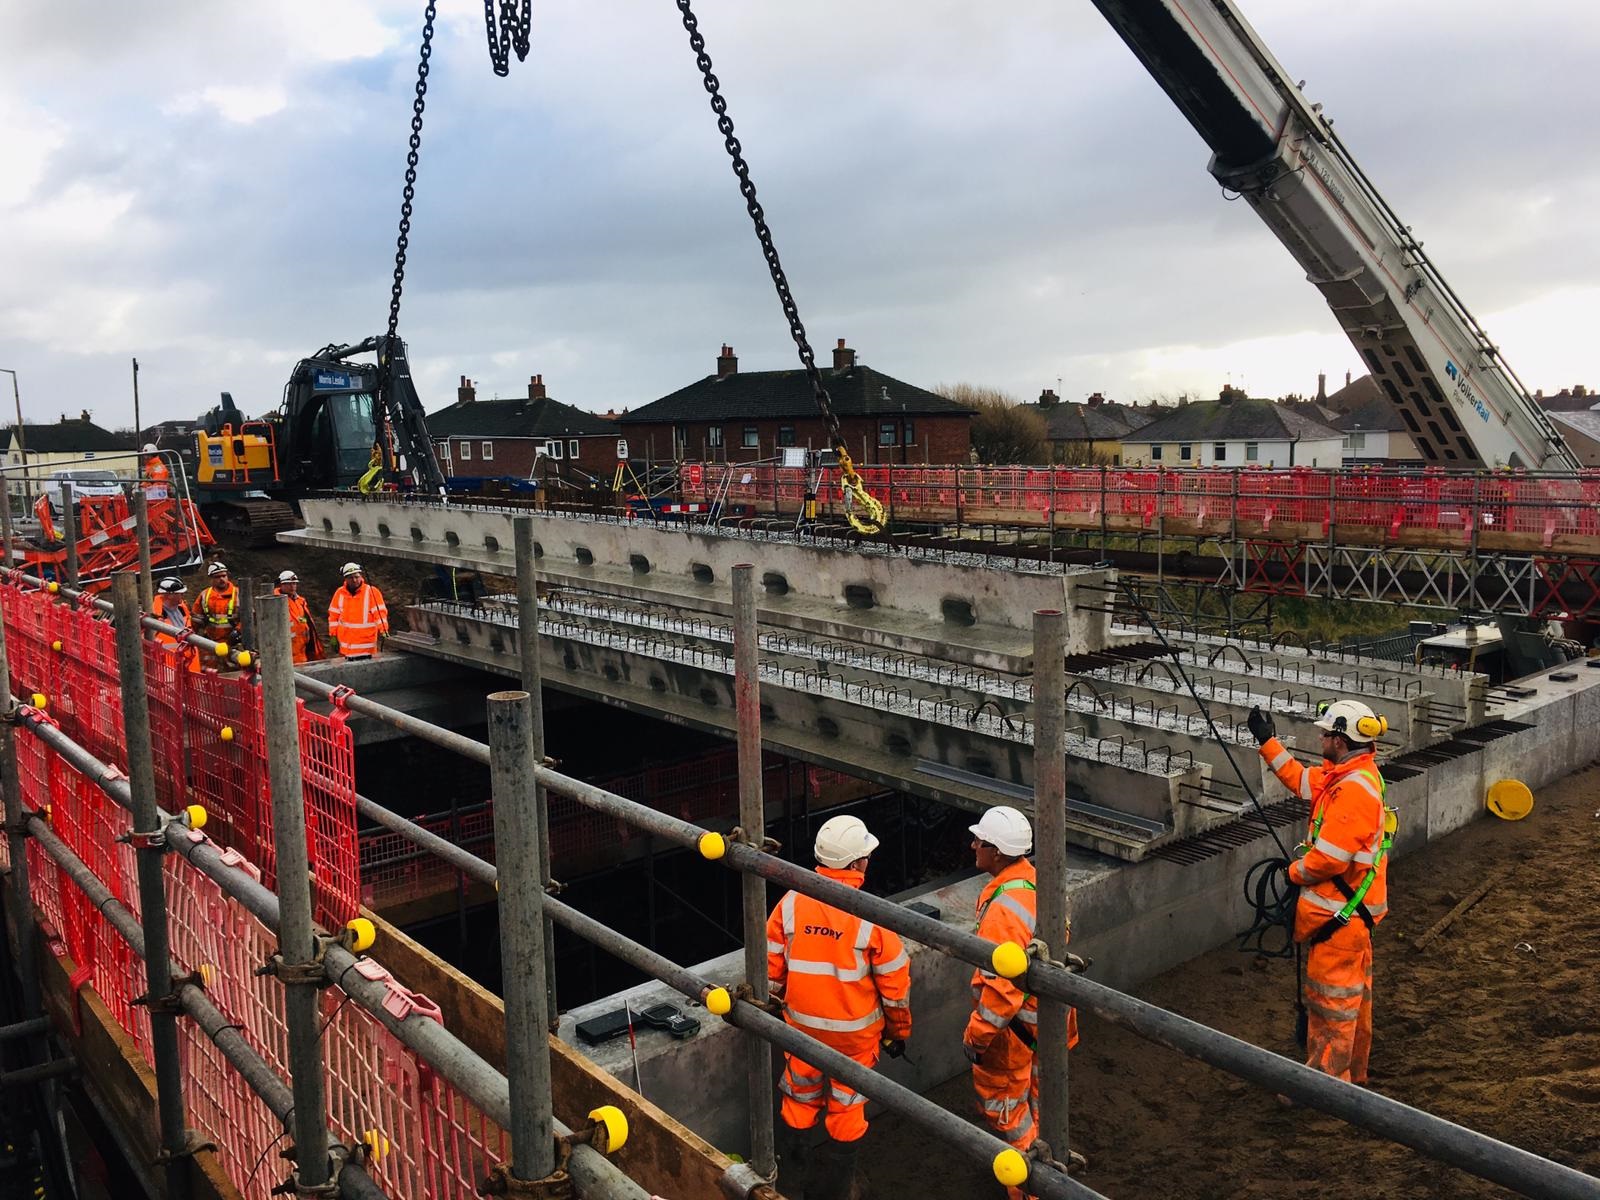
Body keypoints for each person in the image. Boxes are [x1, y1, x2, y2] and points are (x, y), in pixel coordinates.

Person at [1248, 699, 1393, 1086]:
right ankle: (1353, 1074)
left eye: (1326, 733)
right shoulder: (1346, 776)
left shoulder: (1354, 792)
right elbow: (1299, 779)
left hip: (1339, 921)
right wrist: (1268, 742)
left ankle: (1325, 1086)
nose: (1320, 737)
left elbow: (1329, 859)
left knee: (1332, 1007)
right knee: (1351, 1005)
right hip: (1348, 918)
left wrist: (1294, 873)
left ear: (1341, 741)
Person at [767, 815, 911, 1200]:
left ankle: (788, 1187)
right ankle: (838, 1189)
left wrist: (775, 1010)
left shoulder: (791, 904)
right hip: (854, 1038)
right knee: (846, 1110)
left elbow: (771, 972)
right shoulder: (871, 915)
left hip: (800, 1032)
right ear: (856, 864)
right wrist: (899, 1031)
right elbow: (896, 987)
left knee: (798, 1102)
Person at [963, 806, 1078, 1197]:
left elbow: (1001, 989)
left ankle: (1030, 1186)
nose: (973, 845)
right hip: (1047, 1020)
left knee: (1007, 1111)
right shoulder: (1035, 884)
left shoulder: (1002, 911)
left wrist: (977, 1037)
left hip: (1013, 1031)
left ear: (996, 852)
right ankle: (1051, 1168)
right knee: (1041, 1103)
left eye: (980, 841)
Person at [327, 561, 388, 659]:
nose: (355, 580)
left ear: (361, 576)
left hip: (366, 649)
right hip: (345, 648)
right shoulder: (339, 593)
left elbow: (380, 614)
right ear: (345, 579)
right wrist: (333, 635)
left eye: (357, 576)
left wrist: (384, 629)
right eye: (351, 578)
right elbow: (333, 617)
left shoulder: (372, 592)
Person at [152, 576, 200, 673]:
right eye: (180, 593)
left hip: (190, 666)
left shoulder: (183, 609)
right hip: (168, 670)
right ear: (169, 595)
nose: (183, 594)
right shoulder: (154, 616)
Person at [275, 569, 322, 663]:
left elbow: (304, 620)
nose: (292, 586)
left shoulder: (300, 602)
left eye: (294, 583)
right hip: (286, 653)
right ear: (282, 585)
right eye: (289, 584)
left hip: (302, 650)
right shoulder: (275, 601)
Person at [195, 561, 242, 648]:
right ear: (211, 578)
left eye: (224, 576)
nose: (222, 579)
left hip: (234, 643)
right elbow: (196, 620)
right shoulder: (204, 595)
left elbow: (248, 617)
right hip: (211, 642)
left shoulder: (238, 594)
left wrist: (238, 631)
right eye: (217, 577)